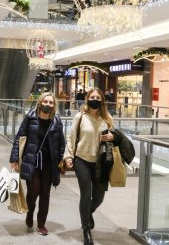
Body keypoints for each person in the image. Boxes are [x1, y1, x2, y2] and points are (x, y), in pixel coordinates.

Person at [62, 88, 115, 245]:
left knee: (99, 196)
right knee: (86, 194)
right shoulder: (80, 117)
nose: (95, 99)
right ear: (87, 99)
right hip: (82, 160)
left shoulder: (107, 118)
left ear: (102, 100)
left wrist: (113, 136)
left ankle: (89, 211)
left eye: (98, 97)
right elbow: (71, 137)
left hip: (100, 162)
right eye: (92, 97)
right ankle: (86, 230)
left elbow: (115, 138)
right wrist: (68, 157)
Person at [9, 92, 65, 236]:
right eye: (45, 101)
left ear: (54, 106)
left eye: (51, 103)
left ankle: (41, 224)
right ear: (40, 102)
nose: (48, 104)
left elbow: (61, 144)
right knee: (33, 192)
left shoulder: (56, 121)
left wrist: (62, 163)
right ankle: (30, 213)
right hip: (31, 161)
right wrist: (14, 158)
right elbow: (19, 137)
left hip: (49, 164)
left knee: (45, 194)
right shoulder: (30, 117)